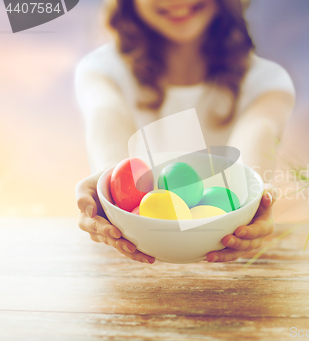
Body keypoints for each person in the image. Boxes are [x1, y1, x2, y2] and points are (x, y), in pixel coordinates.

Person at [74, 0, 295, 264]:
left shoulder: (268, 81)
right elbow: (106, 117)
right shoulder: (102, 71)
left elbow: (258, 133)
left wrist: (252, 198)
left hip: (230, 261)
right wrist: (109, 183)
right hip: (126, 259)